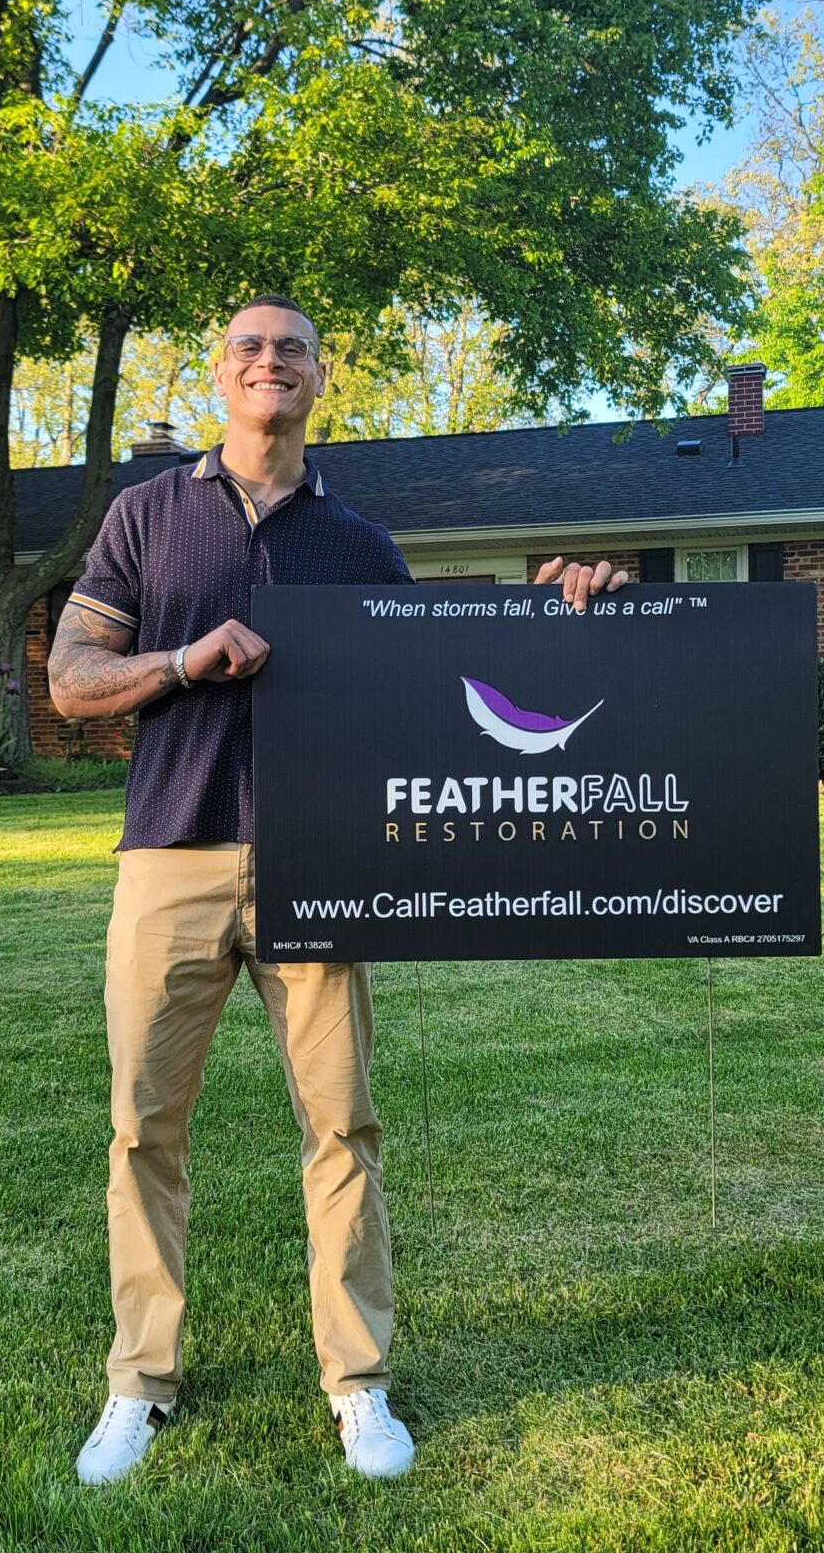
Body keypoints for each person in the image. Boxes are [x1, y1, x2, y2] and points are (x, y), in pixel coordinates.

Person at [48, 295, 627, 1485]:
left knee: (342, 1128)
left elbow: (439, 685)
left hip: (322, 858)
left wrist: (561, 609)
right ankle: (136, 1383)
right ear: (221, 374)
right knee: (142, 1128)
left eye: (294, 351)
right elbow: (69, 680)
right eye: (250, 347)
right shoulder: (145, 516)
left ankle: (356, 1383)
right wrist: (183, 659)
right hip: (171, 855)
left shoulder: (358, 545)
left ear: (318, 380)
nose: (272, 363)